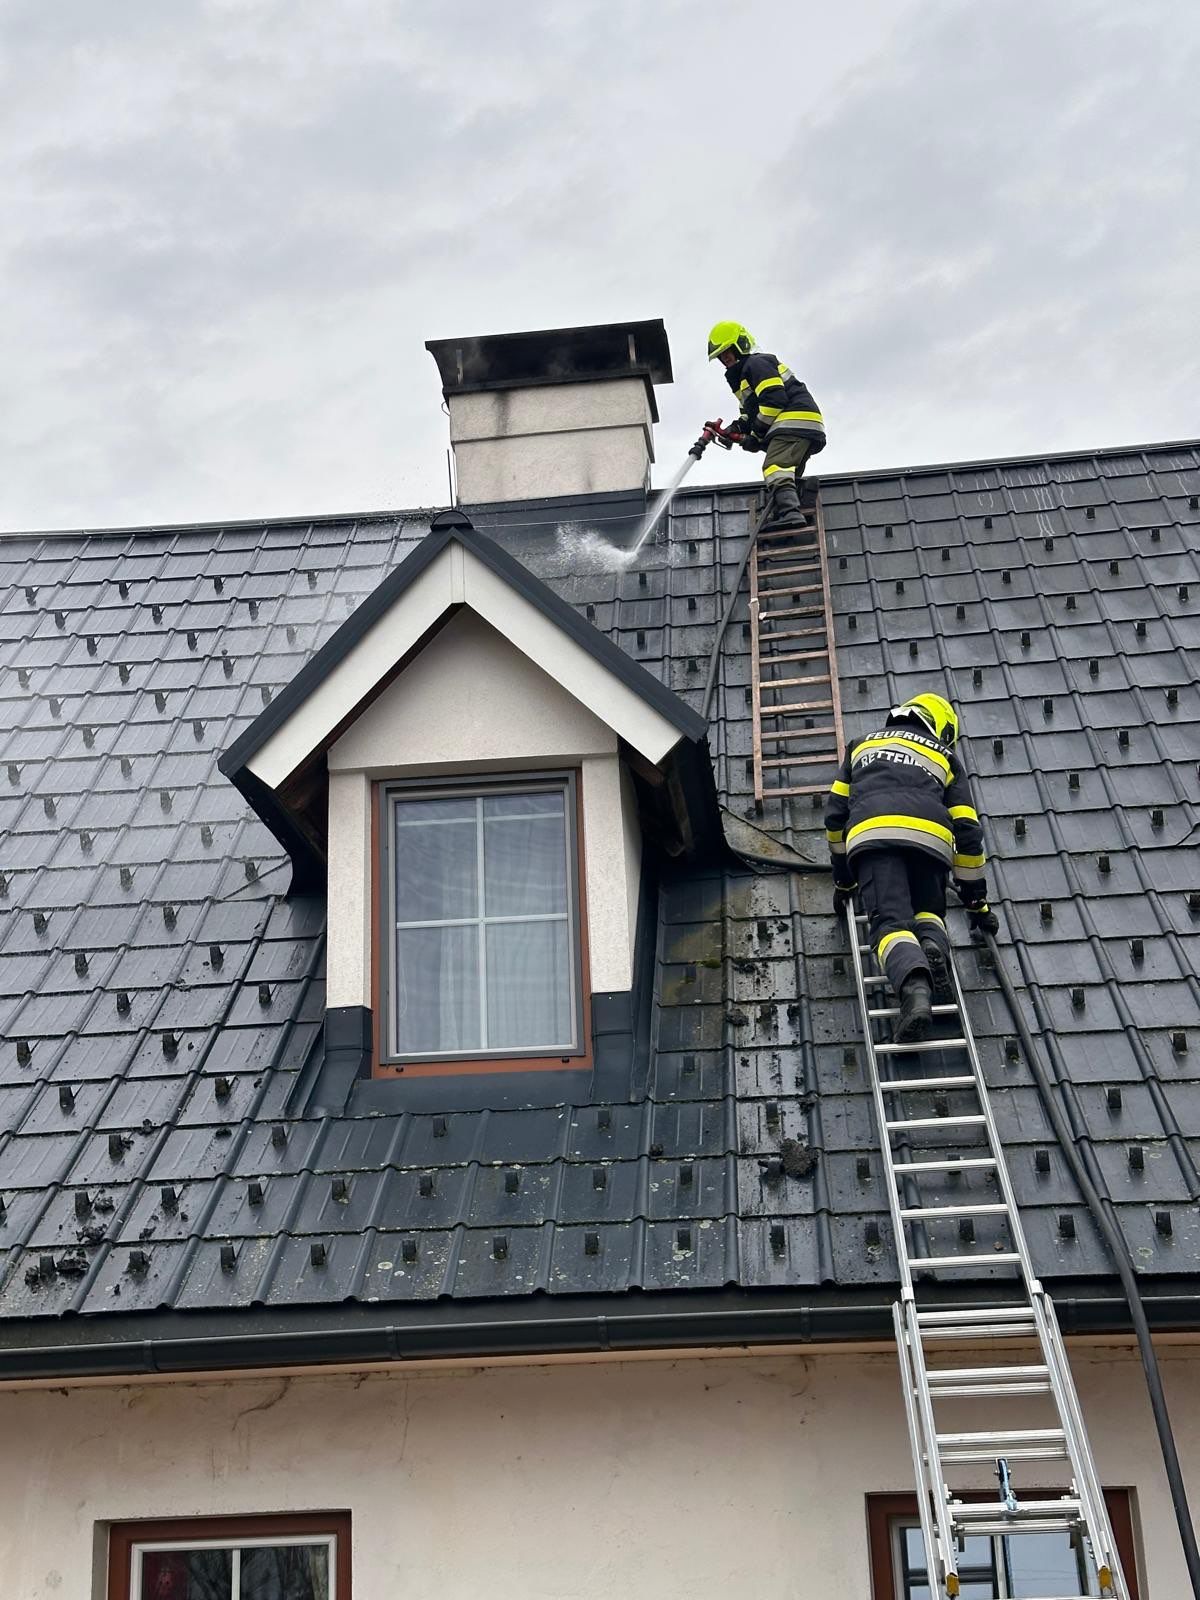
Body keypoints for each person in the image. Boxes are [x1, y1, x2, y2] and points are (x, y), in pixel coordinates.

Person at [823, 692, 999, 1042]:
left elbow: (834, 815)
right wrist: (976, 902)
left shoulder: (860, 746)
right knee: (929, 913)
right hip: (931, 841)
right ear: (939, 728)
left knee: (890, 923)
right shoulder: (944, 756)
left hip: (876, 836)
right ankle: (933, 948)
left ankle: (915, 989)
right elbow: (967, 829)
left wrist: (843, 880)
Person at [707, 321, 826, 531]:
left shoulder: (757, 364)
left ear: (740, 345)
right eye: (720, 356)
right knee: (788, 476)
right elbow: (750, 415)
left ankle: (790, 514)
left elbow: (773, 401)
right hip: (802, 425)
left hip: (793, 422)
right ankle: (803, 498)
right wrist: (732, 431)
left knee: (774, 467)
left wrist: (755, 436)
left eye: (727, 352)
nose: (724, 359)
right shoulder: (741, 377)